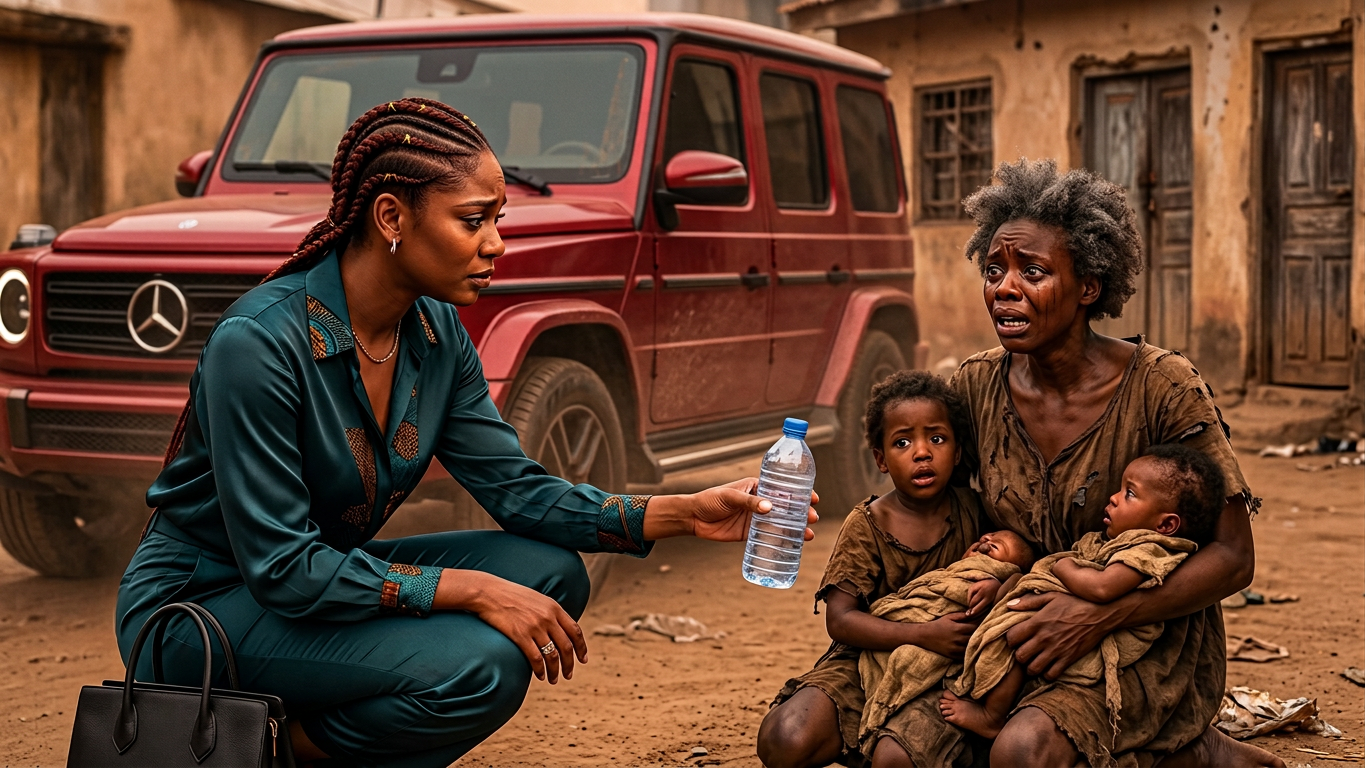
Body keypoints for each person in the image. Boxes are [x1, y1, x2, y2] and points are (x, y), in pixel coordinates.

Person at [113, 98, 816, 768]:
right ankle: (272, 750)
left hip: (317, 581)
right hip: (201, 609)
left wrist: (683, 513)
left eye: (497, 219)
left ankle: (315, 733)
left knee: (551, 575)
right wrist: (472, 591)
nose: (496, 244)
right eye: (473, 220)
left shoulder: (435, 332)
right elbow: (284, 569)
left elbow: (516, 491)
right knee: (481, 670)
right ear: (391, 217)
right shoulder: (259, 343)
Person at [943, 158, 1284, 768]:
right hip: (1014, 628)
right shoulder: (975, 386)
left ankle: (1187, 744)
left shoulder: (1163, 387)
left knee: (1020, 753)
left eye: (1033, 272)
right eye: (994, 270)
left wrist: (1096, 616)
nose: (1004, 288)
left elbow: (1234, 558)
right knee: (815, 737)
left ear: (1089, 287)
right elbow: (933, 507)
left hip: (1140, 637)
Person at [757, 371, 988, 768]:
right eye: (902, 442)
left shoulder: (976, 511)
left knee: (897, 757)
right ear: (881, 459)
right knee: (785, 738)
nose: (922, 453)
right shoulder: (867, 525)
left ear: (958, 450)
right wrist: (924, 634)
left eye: (937, 439)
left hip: (945, 670)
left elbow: (1012, 568)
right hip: (868, 659)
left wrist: (998, 587)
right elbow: (840, 620)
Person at [941, 444, 1225, 754]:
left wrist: (1063, 565)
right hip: (1064, 610)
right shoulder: (1123, 542)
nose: (1114, 498)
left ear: (1166, 525)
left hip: (1102, 638)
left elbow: (1102, 588)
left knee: (1015, 643)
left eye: (1130, 494)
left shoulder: (1148, 550)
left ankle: (992, 716)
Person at [857, 528, 1035, 753]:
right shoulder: (950, 572)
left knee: (1006, 631)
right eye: (987, 537)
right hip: (925, 632)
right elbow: (925, 592)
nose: (985, 541)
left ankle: (991, 717)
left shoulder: (1002, 581)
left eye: (996, 546)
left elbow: (1017, 586)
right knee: (900, 656)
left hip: (961, 644)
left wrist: (997, 585)